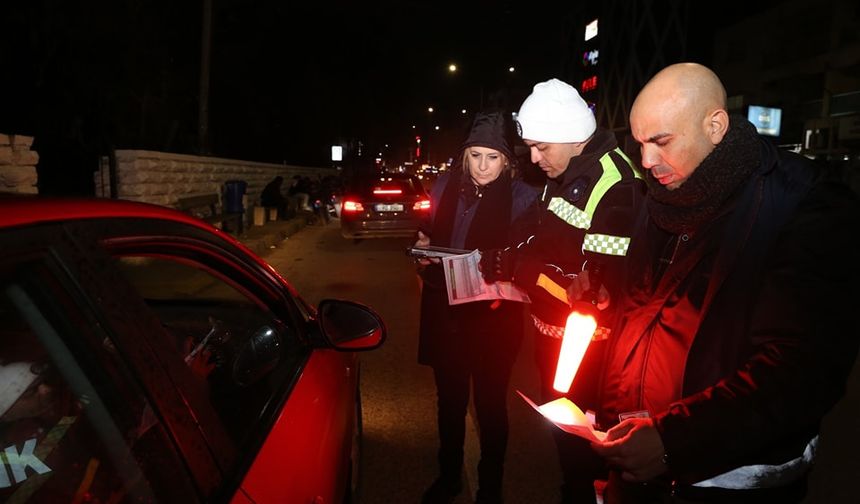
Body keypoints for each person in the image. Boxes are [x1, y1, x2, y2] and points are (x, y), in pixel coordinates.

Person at [587, 62, 860, 503]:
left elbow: (801, 368)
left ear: (715, 125)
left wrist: (674, 438)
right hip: (639, 463)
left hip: (732, 481)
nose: (646, 161)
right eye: (638, 143)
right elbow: (646, 309)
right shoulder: (657, 196)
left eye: (660, 141)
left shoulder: (808, 204)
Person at [479, 78, 646, 503]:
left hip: (588, 350)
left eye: (541, 147)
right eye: (530, 147)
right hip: (552, 336)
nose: (534, 159)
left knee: (584, 448)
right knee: (563, 437)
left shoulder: (616, 185)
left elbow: (593, 291)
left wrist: (522, 270)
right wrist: (511, 254)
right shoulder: (566, 170)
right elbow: (540, 235)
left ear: (573, 137)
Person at [416, 110, 539, 504]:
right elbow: (431, 233)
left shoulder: (523, 198)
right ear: (464, 156)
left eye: (493, 157)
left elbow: (529, 257)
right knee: (449, 401)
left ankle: (490, 487)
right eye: (476, 156)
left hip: (493, 320)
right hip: (445, 311)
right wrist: (422, 250)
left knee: (490, 405)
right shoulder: (444, 186)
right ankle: (449, 476)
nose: (483, 167)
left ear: (507, 161)